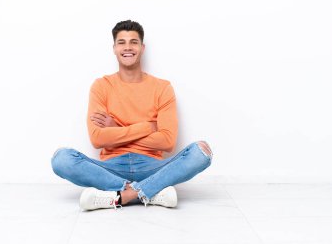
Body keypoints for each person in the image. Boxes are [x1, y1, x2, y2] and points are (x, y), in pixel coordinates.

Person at [51, 20, 212, 211]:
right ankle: (150, 192)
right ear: (114, 48)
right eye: (122, 42)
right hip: (111, 167)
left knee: (202, 152)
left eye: (133, 42)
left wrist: (116, 130)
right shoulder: (101, 86)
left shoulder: (162, 87)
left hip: (152, 167)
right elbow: (97, 138)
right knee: (61, 158)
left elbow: (167, 142)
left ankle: (123, 195)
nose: (128, 47)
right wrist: (148, 127)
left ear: (142, 48)